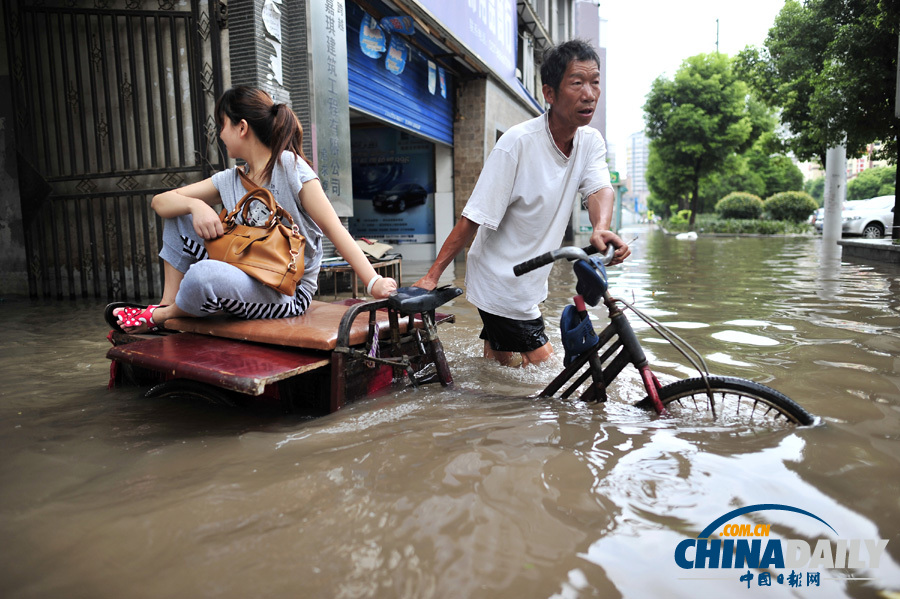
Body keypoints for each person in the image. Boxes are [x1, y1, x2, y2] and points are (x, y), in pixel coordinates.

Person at [108, 86, 397, 333]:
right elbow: (161, 202)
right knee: (178, 216)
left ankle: (162, 317)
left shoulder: (292, 168)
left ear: (242, 127)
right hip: (241, 274)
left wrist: (372, 282)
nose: (220, 134)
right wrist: (195, 204)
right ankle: (167, 303)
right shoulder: (229, 179)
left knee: (203, 275)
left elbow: (335, 229)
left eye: (222, 125)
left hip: (287, 293)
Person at [414, 40, 630, 367]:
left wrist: (601, 229)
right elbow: (473, 216)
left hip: (530, 282)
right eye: (577, 83)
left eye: (595, 81)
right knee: (551, 373)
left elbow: (600, 188)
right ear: (550, 93)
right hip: (499, 278)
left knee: (500, 372)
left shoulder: (590, 141)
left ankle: (484, 410)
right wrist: (432, 276)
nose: (589, 93)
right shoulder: (517, 143)